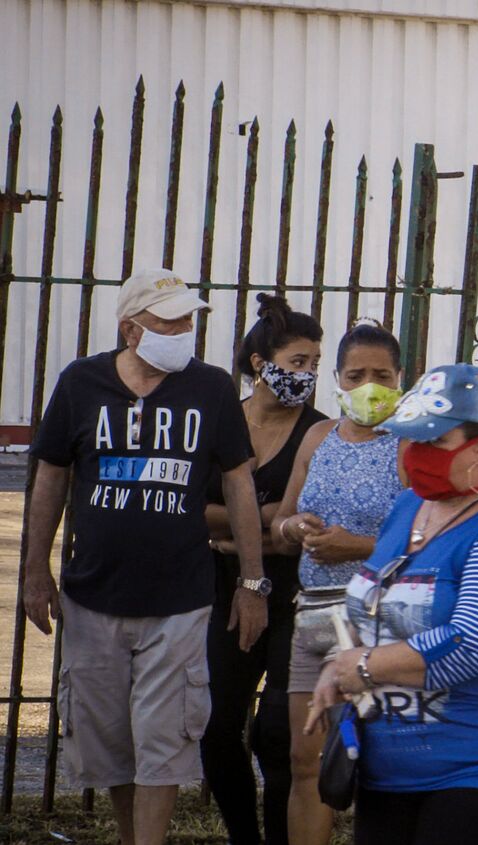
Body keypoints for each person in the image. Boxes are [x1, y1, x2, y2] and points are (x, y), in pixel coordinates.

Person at [20, 268, 267, 845]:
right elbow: (51, 477)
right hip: (93, 595)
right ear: (132, 330)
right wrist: (35, 570)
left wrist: (252, 582)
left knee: (164, 741)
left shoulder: (209, 389)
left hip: (179, 599)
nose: (185, 330)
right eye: (171, 320)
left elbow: (238, 485)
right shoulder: (81, 383)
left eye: (189, 319)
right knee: (112, 743)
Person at [305, 363, 478, 844]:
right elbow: (372, 602)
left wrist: (358, 665)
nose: (414, 453)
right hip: (387, 775)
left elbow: (474, 644)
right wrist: (340, 661)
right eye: (411, 438)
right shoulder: (407, 507)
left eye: (433, 441)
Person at [272, 321, 407, 845]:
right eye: (356, 375)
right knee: (306, 759)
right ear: (337, 379)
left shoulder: (412, 444)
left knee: (387, 757)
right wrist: (293, 528)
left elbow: (431, 540)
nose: (368, 385)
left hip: (386, 619)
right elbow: (282, 524)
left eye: (382, 375)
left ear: (401, 380)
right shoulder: (318, 436)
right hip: (316, 619)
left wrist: (360, 548)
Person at [203, 294, 327, 845]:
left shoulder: (319, 433)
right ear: (260, 364)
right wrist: (255, 524)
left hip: (293, 593)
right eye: (298, 363)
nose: (309, 375)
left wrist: (231, 526)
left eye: (314, 365)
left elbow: (296, 518)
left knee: (279, 731)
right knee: (216, 725)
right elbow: (185, 504)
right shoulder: (216, 418)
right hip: (217, 587)